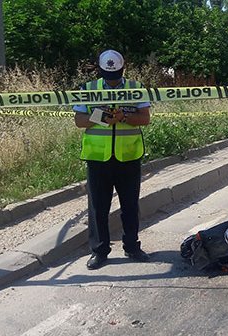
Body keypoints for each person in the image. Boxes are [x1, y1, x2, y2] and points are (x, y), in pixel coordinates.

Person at [73, 49, 151, 270]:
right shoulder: (87, 89)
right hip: (98, 158)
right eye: (109, 76)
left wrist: (124, 117)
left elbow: (145, 118)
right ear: (99, 70)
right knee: (98, 207)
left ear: (123, 69)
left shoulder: (136, 89)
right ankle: (99, 251)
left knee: (129, 205)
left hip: (128, 155)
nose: (113, 81)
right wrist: (102, 117)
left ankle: (132, 247)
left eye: (116, 75)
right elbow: (79, 120)